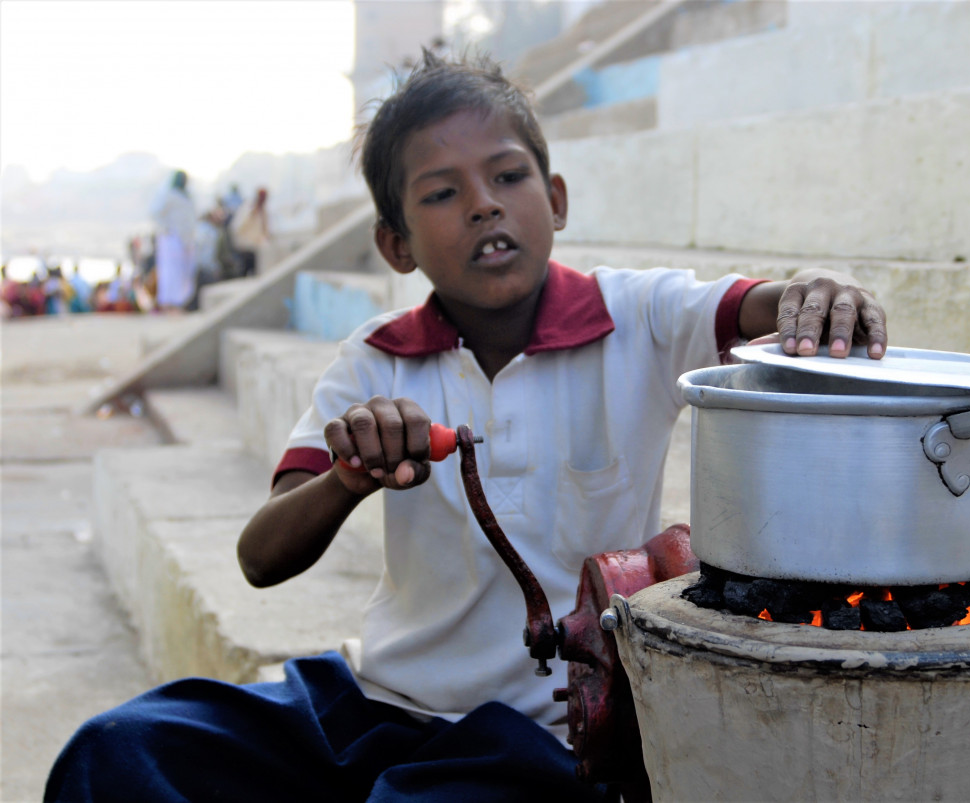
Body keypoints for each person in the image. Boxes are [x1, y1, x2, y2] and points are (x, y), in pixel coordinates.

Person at [45, 51, 887, 802]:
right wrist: (351, 474)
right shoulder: (374, 361)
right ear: (396, 243)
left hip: (539, 737)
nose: (484, 207)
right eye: (442, 194)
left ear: (553, 199)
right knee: (116, 751)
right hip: (374, 699)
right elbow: (261, 558)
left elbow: (750, 306)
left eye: (509, 177)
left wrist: (814, 288)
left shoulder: (636, 315)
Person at [149, 170, 196, 312]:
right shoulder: (169, 196)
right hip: (171, 239)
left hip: (185, 240)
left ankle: (180, 301)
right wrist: (167, 228)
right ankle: (169, 302)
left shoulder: (187, 197)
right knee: (170, 272)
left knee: (182, 271)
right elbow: (156, 213)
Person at [229, 187, 270, 277]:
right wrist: (252, 214)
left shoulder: (263, 210)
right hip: (245, 245)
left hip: (256, 245)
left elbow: (264, 228)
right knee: (246, 268)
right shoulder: (248, 207)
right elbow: (238, 227)